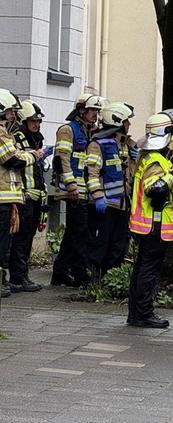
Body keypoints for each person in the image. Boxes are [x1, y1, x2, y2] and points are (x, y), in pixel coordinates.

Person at [126, 112, 173, 328]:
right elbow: (153, 190)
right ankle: (144, 313)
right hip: (154, 224)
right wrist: (172, 177)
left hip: (147, 224)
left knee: (142, 268)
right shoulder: (156, 160)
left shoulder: (148, 156)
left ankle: (137, 313)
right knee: (147, 271)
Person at [51, 93, 103, 287]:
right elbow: (62, 159)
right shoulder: (68, 130)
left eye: (98, 111)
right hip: (73, 190)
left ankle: (60, 273)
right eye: (93, 111)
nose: (96, 115)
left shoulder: (89, 131)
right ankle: (80, 274)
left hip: (84, 191)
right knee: (79, 233)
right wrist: (71, 186)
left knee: (74, 232)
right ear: (82, 110)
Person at [0, 89, 43, 298]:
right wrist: (33, 156)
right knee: (6, 243)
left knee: (11, 241)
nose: (11, 116)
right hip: (9, 196)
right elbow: (12, 160)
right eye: (9, 112)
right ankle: (7, 280)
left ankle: (9, 279)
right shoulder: (4, 134)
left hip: (15, 196)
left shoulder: (7, 133)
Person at [85, 102, 135, 277]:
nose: (129, 125)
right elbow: (92, 173)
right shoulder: (98, 144)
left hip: (121, 204)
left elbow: (128, 174)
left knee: (118, 245)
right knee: (99, 244)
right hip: (104, 205)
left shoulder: (123, 144)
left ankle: (110, 277)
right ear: (118, 121)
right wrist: (98, 196)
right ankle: (93, 279)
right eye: (127, 121)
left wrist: (135, 159)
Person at [8, 100, 48, 293]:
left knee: (28, 237)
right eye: (33, 121)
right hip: (23, 196)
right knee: (20, 239)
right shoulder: (17, 137)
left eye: (38, 122)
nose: (37, 125)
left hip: (35, 196)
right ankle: (17, 277)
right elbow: (16, 161)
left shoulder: (36, 138)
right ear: (24, 120)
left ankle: (22, 275)